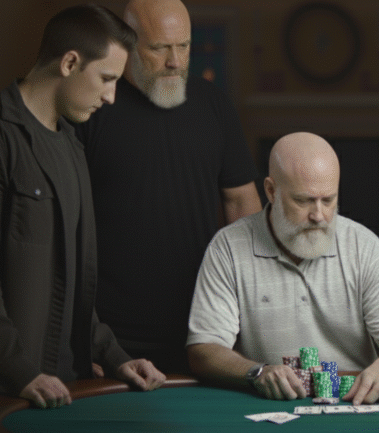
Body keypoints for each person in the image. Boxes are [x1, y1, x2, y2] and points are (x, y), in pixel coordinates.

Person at [0, 4, 166, 413]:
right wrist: (19, 370)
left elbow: (76, 284)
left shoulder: (72, 145)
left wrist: (115, 356)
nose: (111, 97)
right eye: (107, 79)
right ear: (69, 63)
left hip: (66, 386)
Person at [72, 0, 262, 374]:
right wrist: (84, 336)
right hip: (112, 337)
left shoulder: (214, 104)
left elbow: (241, 202)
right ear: (127, 45)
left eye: (184, 46)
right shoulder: (92, 106)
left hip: (203, 330)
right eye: (159, 48)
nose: (175, 61)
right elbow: (67, 222)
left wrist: (250, 300)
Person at [186, 132, 379, 405]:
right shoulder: (228, 248)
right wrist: (256, 372)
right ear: (271, 191)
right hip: (266, 405)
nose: (319, 216)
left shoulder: (364, 247)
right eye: (303, 201)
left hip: (352, 405)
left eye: (328, 200)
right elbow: (204, 350)